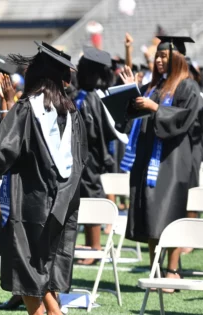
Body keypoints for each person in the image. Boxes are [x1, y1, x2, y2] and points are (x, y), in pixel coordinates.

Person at [0, 41, 87, 315]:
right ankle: (55, 314)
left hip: (29, 198)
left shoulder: (26, 108)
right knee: (43, 263)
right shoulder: (71, 111)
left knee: (23, 262)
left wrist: (4, 108)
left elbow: (2, 154)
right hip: (62, 200)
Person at [120, 36, 200, 292]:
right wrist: (131, 92)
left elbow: (185, 118)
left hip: (173, 160)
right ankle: (155, 270)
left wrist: (155, 107)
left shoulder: (187, 86)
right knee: (151, 212)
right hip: (148, 158)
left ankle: (172, 271)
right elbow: (134, 117)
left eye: (163, 56)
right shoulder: (154, 87)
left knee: (172, 213)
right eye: (157, 56)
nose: (158, 60)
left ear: (176, 58)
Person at [74, 46, 127, 264]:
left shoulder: (93, 98)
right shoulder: (83, 95)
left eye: (81, 69)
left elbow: (95, 132)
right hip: (81, 157)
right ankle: (89, 245)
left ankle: (95, 246)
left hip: (90, 158)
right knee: (83, 199)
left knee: (91, 197)